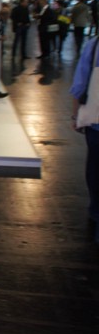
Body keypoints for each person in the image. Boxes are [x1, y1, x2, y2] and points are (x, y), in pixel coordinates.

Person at [70, 35, 99, 243]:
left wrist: (75, 116)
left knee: (95, 167)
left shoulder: (94, 44)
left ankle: (96, 209)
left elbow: (80, 84)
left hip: (96, 120)